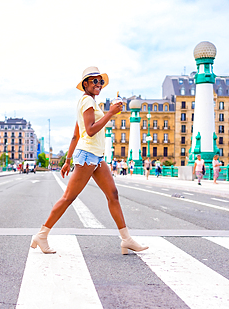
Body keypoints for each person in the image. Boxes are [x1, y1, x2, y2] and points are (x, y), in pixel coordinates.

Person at [30, 66, 149, 255]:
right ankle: (42, 234)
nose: (98, 84)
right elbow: (91, 130)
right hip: (87, 155)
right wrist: (110, 114)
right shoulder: (87, 102)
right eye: (94, 81)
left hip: (95, 156)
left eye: (100, 81)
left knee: (113, 194)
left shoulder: (89, 103)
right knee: (69, 197)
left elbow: (76, 135)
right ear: (85, 84)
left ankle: (126, 239)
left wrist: (67, 160)